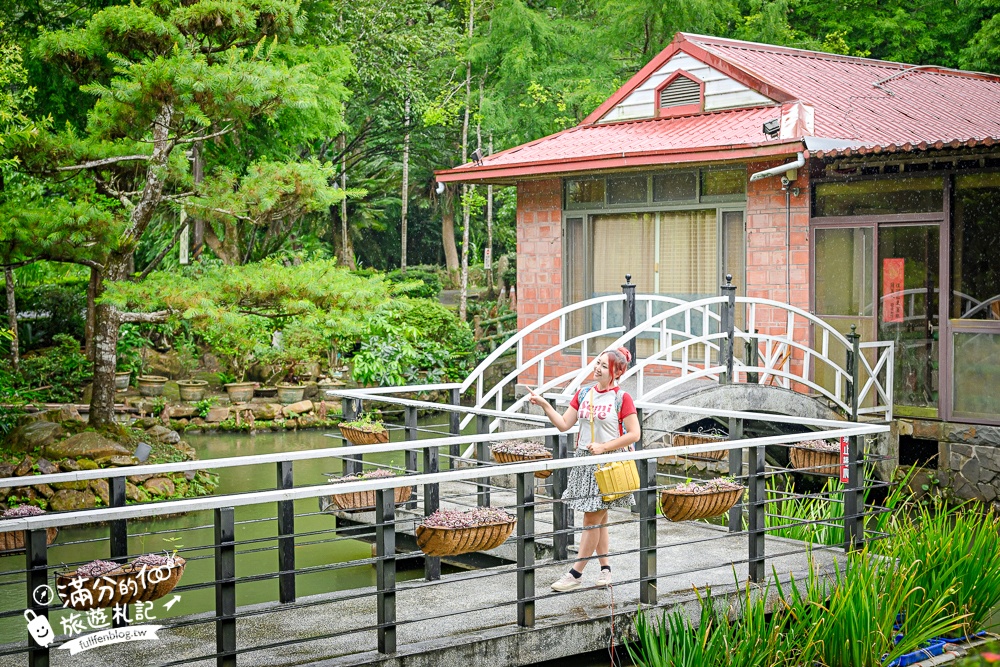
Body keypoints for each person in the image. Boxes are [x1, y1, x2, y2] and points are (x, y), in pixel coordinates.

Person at [528, 347, 641, 591]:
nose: (597, 368)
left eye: (604, 366)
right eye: (597, 362)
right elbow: (564, 424)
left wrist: (604, 447)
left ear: (616, 373)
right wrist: (545, 405)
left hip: (609, 463)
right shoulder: (583, 393)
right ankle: (605, 569)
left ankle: (575, 573)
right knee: (598, 518)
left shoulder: (622, 398)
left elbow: (634, 434)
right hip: (585, 461)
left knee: (592, 518)